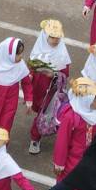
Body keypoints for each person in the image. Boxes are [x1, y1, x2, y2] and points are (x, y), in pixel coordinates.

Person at [49, 77, 96, 190]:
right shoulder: (71, 117)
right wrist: (59, 162)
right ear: (86, 100)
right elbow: (62, 141)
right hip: (72, 159)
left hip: (89, 159)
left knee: (84, 184)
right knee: (67, 181)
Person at [26, 19, 73, 154]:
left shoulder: (62, 52)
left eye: (58, 37)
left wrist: (53, 74)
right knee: (40, 110)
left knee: (45, 112)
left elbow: (65, 73)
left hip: (52, 90)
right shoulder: (38, 49)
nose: (55, 40)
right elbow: (31, 67)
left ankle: (35, 137)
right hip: (38, 88)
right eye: (52, 37)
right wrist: (30, 75)